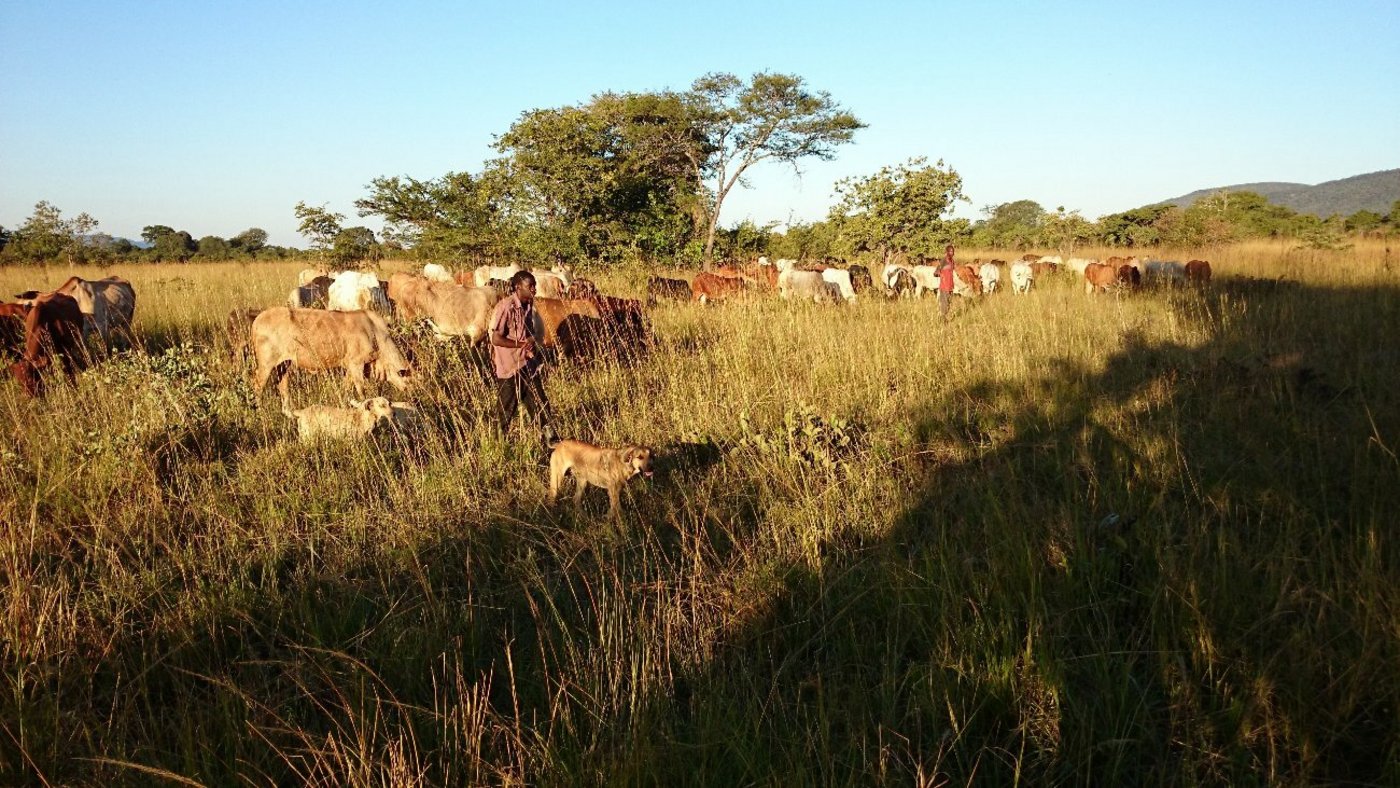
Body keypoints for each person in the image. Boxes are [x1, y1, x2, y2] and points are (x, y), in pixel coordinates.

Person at [489, 270, 556, 451]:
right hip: (510, 368)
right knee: (506, 411)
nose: (534, 289)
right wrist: (520, 344)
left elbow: (527, 333)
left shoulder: (528, 305)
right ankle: (497, 450)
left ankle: (551, 446)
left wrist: (531, 343)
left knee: (541, 406)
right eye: (530, 286)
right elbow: (496, 339)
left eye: (534, 285)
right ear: (518, 287)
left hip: (528, 365)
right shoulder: (506, 307)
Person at [938, 244, 956, 321]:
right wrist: (942, 273)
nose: (951, 252)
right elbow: (936, 272)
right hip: (944, 285)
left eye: (952, 251)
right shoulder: (943, 260)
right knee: (944, 303)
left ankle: (945, 318)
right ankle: (943, 320)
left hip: (951, 285)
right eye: (950, 251)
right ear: (947, 252)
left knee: (948, 303)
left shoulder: (952, 261)